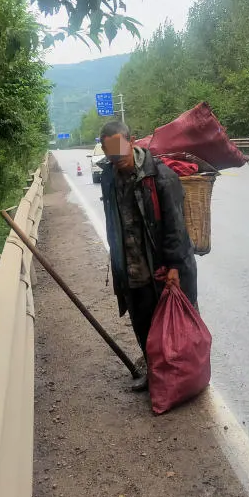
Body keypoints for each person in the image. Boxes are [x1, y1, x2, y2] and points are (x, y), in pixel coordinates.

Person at [97, 120, 198, 391]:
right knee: (144, 325)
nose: (116, 158)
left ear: (132, 142)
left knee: (174, 326)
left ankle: (185, 379)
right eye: (110, 153)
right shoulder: (109, 177)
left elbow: (176, 226)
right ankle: (156, 375)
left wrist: (174, 266)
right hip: (132, 267)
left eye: (119, 151)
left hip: (162, 266)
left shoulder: (160, 176)